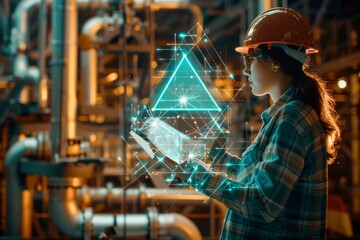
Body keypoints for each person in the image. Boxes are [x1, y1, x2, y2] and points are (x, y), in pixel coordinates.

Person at [173, 7, 341, 239]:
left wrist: (194, 174)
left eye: (250, 59)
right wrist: (212, 154)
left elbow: (262, 203)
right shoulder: (285, 114)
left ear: (274, 62)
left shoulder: (292, 119)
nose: (245, 69)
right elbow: (252, 175)